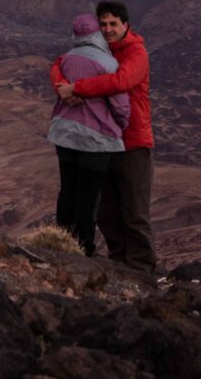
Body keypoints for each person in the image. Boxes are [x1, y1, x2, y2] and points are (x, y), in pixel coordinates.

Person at [55, 0, 155, 272]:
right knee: (106, 209)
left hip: (133, 140)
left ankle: (142, 268)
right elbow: (60, 63)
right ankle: (120, 261)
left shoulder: (136, 53)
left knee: (134, 209)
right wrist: (61, 84)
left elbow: (120, 81)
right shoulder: (99, 50)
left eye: (114, 24)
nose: (109, 29)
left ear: (126, 25)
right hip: (103, 141)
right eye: (104, 24)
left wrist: (77, 88)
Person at [46, 14, 129, 253]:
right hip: (96, 140)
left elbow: (58, 84)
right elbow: (120, 105)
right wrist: (121, 125)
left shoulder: (65, 61)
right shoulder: (109, 64)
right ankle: (84, 248)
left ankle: (59, 242)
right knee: (89, 196)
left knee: (68, 191)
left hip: (64, 135)